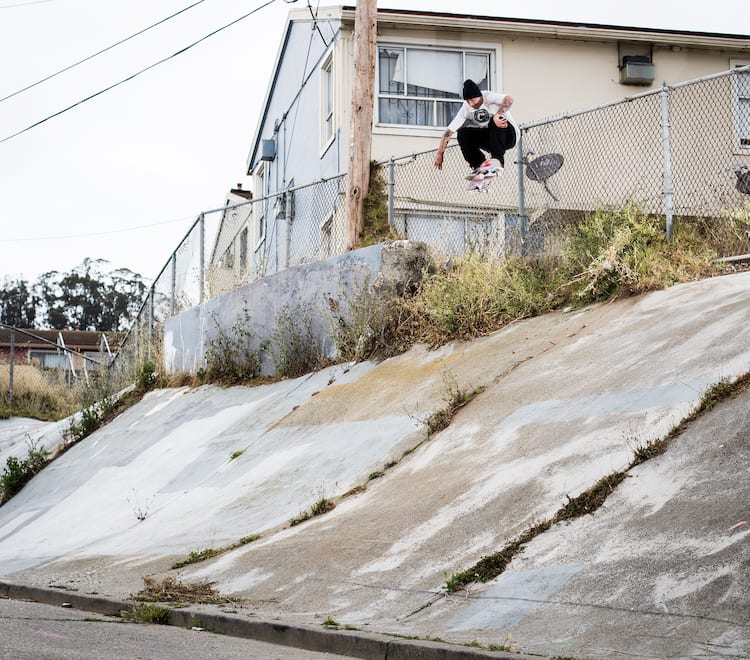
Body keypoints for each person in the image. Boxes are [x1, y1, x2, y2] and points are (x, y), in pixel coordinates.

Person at [434, 79, 517, 176]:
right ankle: (479, 166)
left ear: (479, 95)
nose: (471, 104)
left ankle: (497, 162)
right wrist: (440, 154)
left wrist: (497, 114)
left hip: (509, 136)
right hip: (491, 140)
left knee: (493, 121)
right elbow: (448, 132)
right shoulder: (466, 108)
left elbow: (509, 99)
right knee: (463, 133)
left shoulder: (488, 97)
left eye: (473, 100)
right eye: (468, 101)